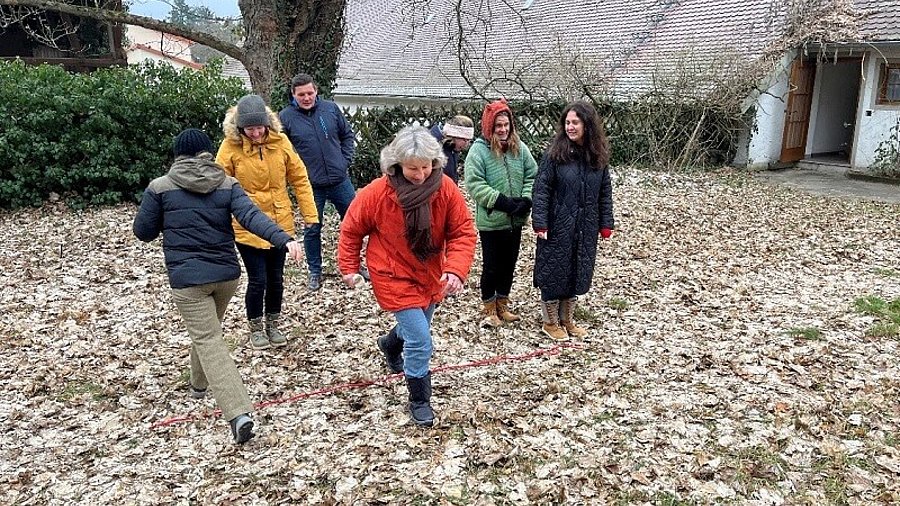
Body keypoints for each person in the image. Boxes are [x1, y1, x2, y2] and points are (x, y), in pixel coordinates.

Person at [134, 128, 305, 444]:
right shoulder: (227, 184)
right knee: (208, 333)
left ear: (177, 157)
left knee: (209, 338)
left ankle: (239, 413)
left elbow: (142, 232)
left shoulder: (160, 188)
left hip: (188, 281)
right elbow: (252, 217)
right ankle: (198, 386)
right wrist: (283, 238)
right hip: (226, 277)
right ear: (207, 154)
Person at [337, 126, 476, 427]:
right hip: (391, 272)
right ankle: (419, 399)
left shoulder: (446, 188)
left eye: (426, 166)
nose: (421, 174)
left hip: (430, 272)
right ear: (397, 164)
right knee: (421, 340)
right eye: (413, 168)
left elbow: (462, 232)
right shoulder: (377, 192)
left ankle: (389, 344)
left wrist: (455, 269)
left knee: (416, 329)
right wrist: (349, 267)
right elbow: (351, 229)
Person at [216, 94, 319, 350]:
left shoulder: (280, 142)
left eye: (259, 127)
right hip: (246, 225)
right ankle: (255, 327)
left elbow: (299, 178)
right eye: (249, 129)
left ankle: (273, 323)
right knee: (257, 279)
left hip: (280, 222)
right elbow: (218, 186)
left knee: (276, 279)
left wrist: (310, 216)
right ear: (240, 128)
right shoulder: (229, 148)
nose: (255, 133)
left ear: (267, 124)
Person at [532, 101, 615, 340]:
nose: (570, 127)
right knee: (553, 271)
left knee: (577, 270)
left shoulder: (597, 156)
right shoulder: (553, 155)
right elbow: (542, 190)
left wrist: (605, 222)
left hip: (585, 225)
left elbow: (604, 191)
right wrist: (540, 221)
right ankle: (550, 322)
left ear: (587, 125)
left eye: (575, 122)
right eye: (567, 122)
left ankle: (567, 319)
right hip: (557, 225)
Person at [279, 73, 360, 291]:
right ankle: (315, 271)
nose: (306, 98)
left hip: (340, 180)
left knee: (354, 224)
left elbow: (347, 136)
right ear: (293, 95)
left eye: (310, 93)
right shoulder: (285, 117)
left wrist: (344, 161)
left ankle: (354, 266)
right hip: (311, 185)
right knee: (312, 228)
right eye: (301, 94)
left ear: (316, 91)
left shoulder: (331, 109)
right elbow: (281, 151)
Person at [464, 99, 538, 327]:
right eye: (498, 126)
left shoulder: (520, 148)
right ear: (490, 127)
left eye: (506, 125)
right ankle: (489, 307)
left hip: (515, 220)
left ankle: (503, 303)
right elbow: (475, 184)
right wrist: (502, 202)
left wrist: (526, 199)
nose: (503, 130)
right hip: (492, 221)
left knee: (509, 264)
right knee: (492, 266)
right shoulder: (479, 151)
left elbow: (532, 174)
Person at [428, 115, 475, 184]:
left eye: (469, 140)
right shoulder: (434, 150)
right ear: (453, 136)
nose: (466, 144)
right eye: (464, 140)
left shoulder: (452, 149)